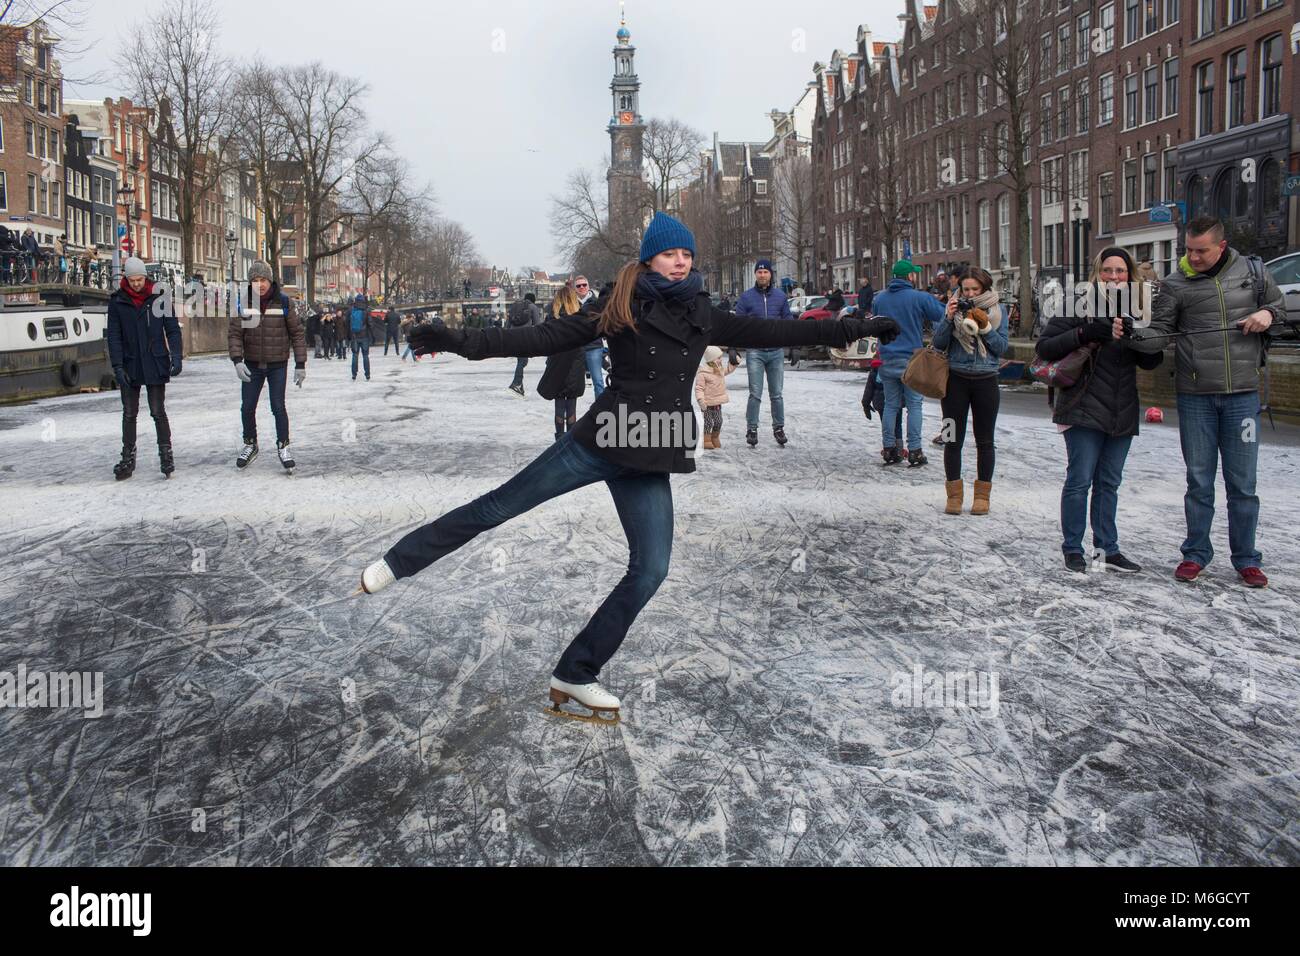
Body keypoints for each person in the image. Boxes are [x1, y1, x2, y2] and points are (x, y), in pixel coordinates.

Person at [355, 211, 899, 723]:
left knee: (652, 569)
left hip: (654, 448)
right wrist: (461, 342)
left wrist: (853, 327)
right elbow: (544, 337)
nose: (680, 262)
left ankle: (575, 672)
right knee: (501, 504)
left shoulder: (701, 313)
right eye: (669, 255)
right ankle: (400, 560)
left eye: (686, 253)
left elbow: (781, 334)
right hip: (601, 439)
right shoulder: (621, 305)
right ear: (648, 261)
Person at [1120, 217, 1281, 588]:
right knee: (1199, 481)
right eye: (1188, 250)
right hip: (1195, 397)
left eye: (1201, 250)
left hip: (1242, 395)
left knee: (1243, 484)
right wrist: (1132, 335)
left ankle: (1246, 559)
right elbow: (1160, 334)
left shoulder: (1253, 273)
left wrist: (1266, 314)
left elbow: (1280, 307)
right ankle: (1195, 554)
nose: (1193, 256)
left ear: (1220, 247)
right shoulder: (1175, 284)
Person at [1036, 248, 1164, 573]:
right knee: (1080, 481)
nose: (1114, 277)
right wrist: (1087, 331)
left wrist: (1145, 345)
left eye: (1120, 271)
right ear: (1097, 273)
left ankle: (1107, 549)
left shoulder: (1138, 308)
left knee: (1109, 483)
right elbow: (1045, 347)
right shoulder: (1079, 303)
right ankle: (1073, 548)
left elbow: (1149, 361)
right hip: (1082, 405)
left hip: (1122, 409)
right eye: (1107, 270)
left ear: (1130, 274)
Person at [930, 267, 1009, 515]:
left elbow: (1002, 348)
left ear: (985, 289)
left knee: (986, 441)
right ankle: (954, 496)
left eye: (976, 289)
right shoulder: (950, 309)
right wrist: (947, 318)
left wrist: (985, 329)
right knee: (952, 438)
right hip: (955, 382)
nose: (971, 293)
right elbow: (938, 343)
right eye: (966, 289)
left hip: (986, 382)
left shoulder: (998, 310)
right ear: (960, 289)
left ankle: (982, 498)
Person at [105, 257, 182, 480]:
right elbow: (114, 336)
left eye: (139, 279)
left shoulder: (159, 297)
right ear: (126, 279)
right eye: (132, 280)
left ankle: (166, 454)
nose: (137, 283)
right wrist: (118, 366)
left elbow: (173, 329)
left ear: (145, 277)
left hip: (155, 361)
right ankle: (128, 457)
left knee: (158, 411)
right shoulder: (117, 301)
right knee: (129, 413)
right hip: (130, 362)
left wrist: (176, 356)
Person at [228, 260, 307, 471]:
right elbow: (235, 333)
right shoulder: (244, 303)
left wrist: (300, 363)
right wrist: (237, 360)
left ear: (270, 280)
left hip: (277, 364)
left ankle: (283, 446)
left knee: (278, 406)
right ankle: (250, 443)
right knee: (247, 407)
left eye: (263, 280)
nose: (259, 284)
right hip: (252, 363)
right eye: (255, 280)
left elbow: (297, 333)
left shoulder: (283, 302)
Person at [872, 260, 945, 466]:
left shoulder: (880, 299)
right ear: (910, 277)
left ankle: (889, 449)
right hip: (911, 360)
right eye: (914, 274)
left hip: (886, 359)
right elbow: (942, 314)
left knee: (891, 405)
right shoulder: (919, 297)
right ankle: (915, 450)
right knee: (914, 406)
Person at [735, 258, 794, 447]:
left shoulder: (780, 297)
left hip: (776, 351)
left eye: (765, 272)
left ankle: (779, 427)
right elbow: (737, 325)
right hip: (755, 352)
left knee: (777, 393)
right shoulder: (746, 298)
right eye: (759, 272)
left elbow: (789, 323)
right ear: (755, 274)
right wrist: (732, 347)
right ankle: (752, 428)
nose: (762, 275)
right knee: (755, 393)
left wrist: (795, 346)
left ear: (770, 274)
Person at [538, 285, 587, 440]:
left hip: (557, 363)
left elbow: (545, 341)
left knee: (559, 406)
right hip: (575, 363)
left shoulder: (552, 317)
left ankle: (559, 437)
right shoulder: (580, 315)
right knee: (571, 406)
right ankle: (571, 439)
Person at [694, 345, 741, 449]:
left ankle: (715, 437)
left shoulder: (719, 370)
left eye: (721, 357)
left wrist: (735, 362)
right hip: (706, 404)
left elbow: (728, 369)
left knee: (719, 421)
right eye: (718, 358)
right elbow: (699, 388)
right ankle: (706, 440)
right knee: (708, 423)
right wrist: (701, 400)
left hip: (717, 403)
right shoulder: (703, 373)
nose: (721, 360)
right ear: (711, 359)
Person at [574, 276, 606, 398]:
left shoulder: (596, 301)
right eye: (578, 286)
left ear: (588, 286)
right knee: (571, 381)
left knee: (598, 380)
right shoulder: (571, 303)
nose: (582, 287)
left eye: (584, 285)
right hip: (576, 346)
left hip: (594, 346)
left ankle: (600, 409)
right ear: (575, 289)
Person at [506, 292, 542, 396]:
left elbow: (508, 324)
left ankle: (519, 386)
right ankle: (516, 384)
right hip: (525, 336)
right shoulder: (533, 307)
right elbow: (537, 324)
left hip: (513, 335)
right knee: (522, 361)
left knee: (522, 360)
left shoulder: (515, 306)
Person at [348, 294, 372, 381]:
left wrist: (349, 336)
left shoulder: (352, 310)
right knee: (365, 356)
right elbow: (370, 324)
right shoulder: (366, 310)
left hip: (354, 336)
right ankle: (367, 374)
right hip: (364, 336)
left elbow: (348, 323)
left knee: (355, 355)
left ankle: (354, 374)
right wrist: (372, 335)